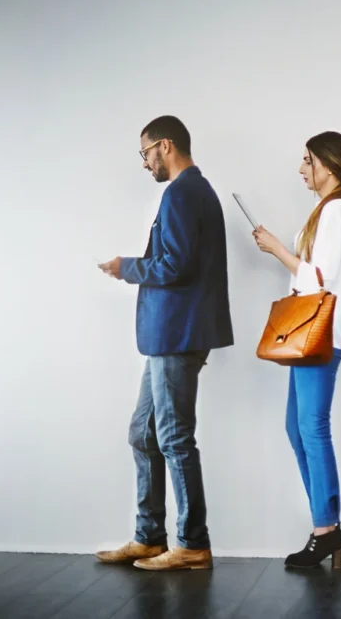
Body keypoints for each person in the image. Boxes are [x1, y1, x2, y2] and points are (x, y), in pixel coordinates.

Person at [95, 115, 233, 571]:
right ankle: (149, 537)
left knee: (174, 437)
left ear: (165, 146)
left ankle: (192, 542)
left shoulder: (181, 192)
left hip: (177, 333)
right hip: (170, 336)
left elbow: (174, 266)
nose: (144, 162)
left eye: (145, 152)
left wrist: (126, 267)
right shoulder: (195, 190)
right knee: (143, 433)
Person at [251, 131, 341, 570]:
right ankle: (326, 527)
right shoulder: (332, 209)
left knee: (311, 429)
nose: (301, 170)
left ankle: (326, 530)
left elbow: (321, 278)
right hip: (321, 334)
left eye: (307, 161)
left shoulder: (336, 209)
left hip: (322, 335)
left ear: (328, 165)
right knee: (298, 428)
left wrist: (277, 249)